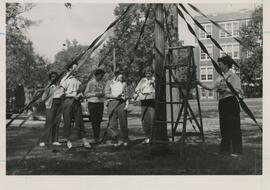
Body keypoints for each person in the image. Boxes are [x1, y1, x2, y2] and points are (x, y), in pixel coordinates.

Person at [197, 56, 243, 157]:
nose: (219, 66)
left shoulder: (233, 76)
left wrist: (225, 90)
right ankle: (225, 149)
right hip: (222, 103)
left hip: (231, 102)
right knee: (224, 126)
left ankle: (237, 150)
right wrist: (199, 83)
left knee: (234, 126)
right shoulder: (220, 77)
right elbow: (210, 87)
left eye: (220, 64)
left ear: (226, 65)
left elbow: (238, 90)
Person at [60, 63, 91, 149]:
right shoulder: (64, 79)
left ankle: (84, 141)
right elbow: (61, 93)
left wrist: (81, 95)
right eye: (75, 68)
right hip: (68, 101)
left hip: (77, 102)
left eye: (77, 68)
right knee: (67, 122)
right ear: (70, 69)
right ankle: (68, 140)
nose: (77, 69)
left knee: (80, 121)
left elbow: (80, 92)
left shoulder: (77, 80)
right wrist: (72, 95)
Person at [105, 70, 129, 148]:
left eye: (122, 77)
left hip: (122, 103)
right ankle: (115, 141)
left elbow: (126, 94)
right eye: (120, 76)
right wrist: (114, 96)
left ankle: (125, 140)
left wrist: (127, 104)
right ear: (116, 75)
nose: (121, 78)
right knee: (113, 123)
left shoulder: (124, 84)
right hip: (112, 103)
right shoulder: (110, 82)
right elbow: (106, 94)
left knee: (123, 123)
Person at [39, 71, 63, 147]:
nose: (54, 78)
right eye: (52, 77)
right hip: (50, 104)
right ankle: (44, 140)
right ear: (50, 78)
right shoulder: (49, 86)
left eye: (55, 77)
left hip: (59, 104)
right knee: (49, 122)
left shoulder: (60, 86)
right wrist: (43, 102)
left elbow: (63, 94)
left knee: (56, 122)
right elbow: (43, 96)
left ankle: (55, 140)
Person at [134, 66, 155, 144]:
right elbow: (137, 89)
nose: (147, 75)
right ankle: (147, 136)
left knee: (152, 118)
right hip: (143, 100)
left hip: (152, 100)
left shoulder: (154, 80)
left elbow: (158, 90)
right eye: (146, 73)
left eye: (149, 73)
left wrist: (153, 84)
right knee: (144, 118)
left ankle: (153, 136)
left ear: (152, 73)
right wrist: (140, 94)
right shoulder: (143, 80)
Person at [84, 69, 106, 143]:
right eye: (101, 75)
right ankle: (95, 137)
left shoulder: (102, 83)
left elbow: (104, 93)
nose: (102, 77)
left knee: (99, 121)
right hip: (92, 103)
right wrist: (95, 94)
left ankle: (97, 137)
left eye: (103, 76)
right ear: (96, 75)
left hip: (100, 103)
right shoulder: (91, 83)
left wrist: (103, 95)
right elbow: (86, 94)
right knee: (94, 121)